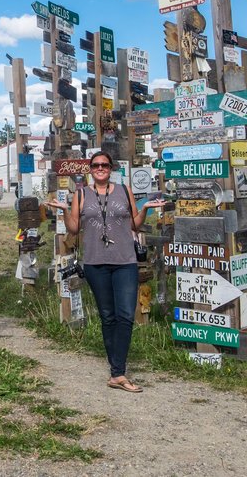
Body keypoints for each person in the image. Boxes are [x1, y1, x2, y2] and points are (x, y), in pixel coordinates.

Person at [46, 151, 165, 393]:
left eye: (105, 165)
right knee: (107, 316)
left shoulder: (124, 190)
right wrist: (64, 210)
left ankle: (118, 372)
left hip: (125, 261)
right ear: (90, 169)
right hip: (95, 263)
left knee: (125, 315)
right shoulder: (81, 194)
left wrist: (146, 209)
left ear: (111, 169)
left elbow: (134, 224)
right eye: (96, 165)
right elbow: (74, 228)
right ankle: (116, 371)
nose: (100, 168)